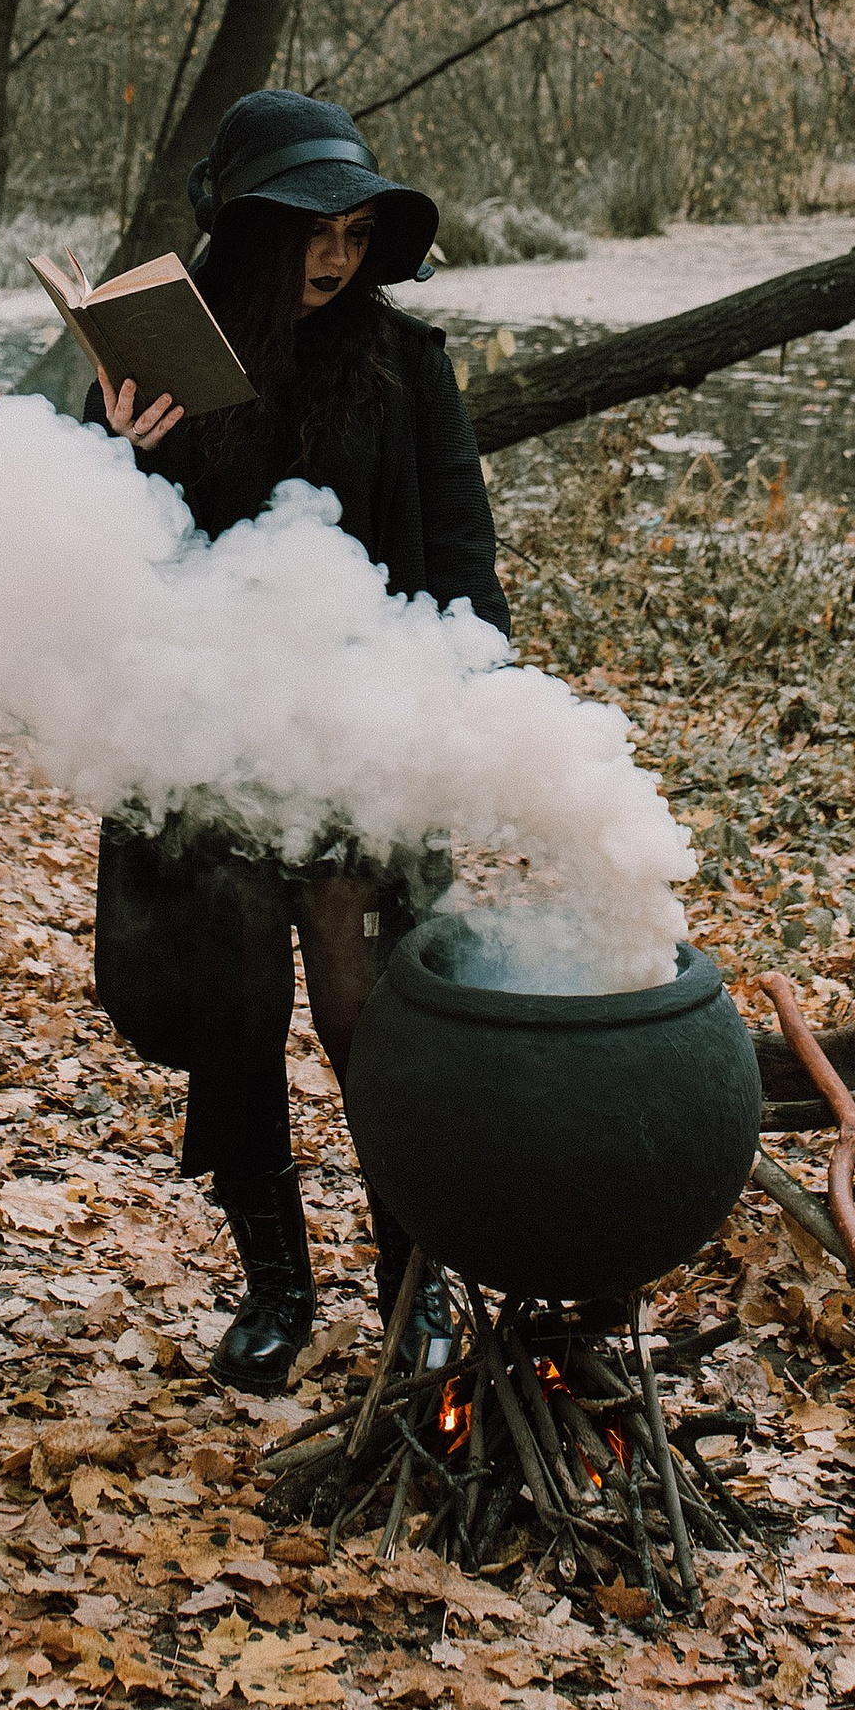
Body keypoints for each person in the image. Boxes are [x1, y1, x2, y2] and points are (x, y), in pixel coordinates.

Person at [85, 89, 510, 1396]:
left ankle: (412, 1281)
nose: (336, 255)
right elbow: (75, 557)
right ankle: (277, 1288)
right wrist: (116, 453)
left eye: (358, 227)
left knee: (362, 998)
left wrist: (470, 709)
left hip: (354, 734)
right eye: (308, 230)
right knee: (236, 1006)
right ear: (248, 232)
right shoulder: (153, 354)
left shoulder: (410, 363)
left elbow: (458, 557)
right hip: (205, 744)